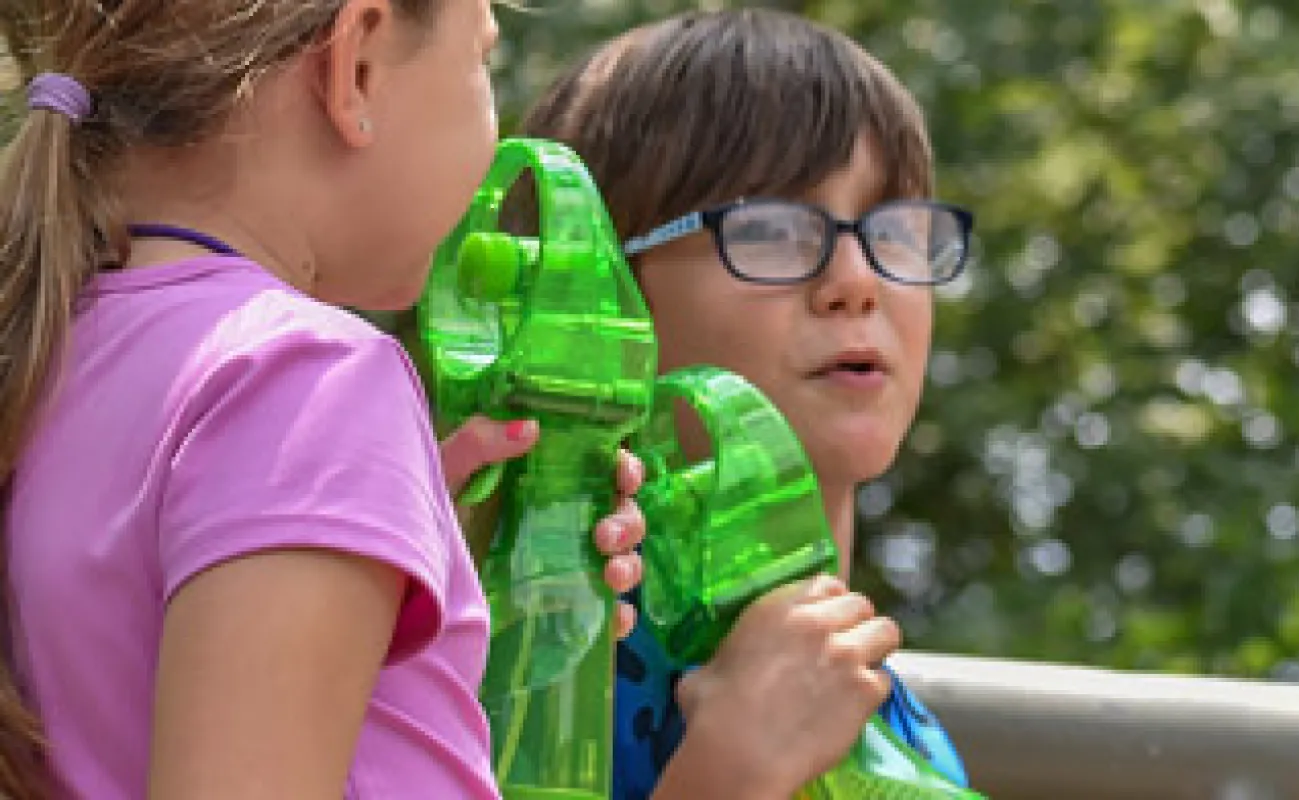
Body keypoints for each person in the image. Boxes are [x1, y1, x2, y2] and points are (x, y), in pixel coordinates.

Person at [0, 1, 644, 797]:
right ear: (358, 67)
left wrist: (396, 537)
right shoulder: (310, 375)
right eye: (480, 58)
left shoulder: (57, 347)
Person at [517, 9, 975, 798]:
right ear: (599, 293)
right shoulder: (523, 670)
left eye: (893, 230)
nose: (857, 282)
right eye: (769, 229)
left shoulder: (904, 731)